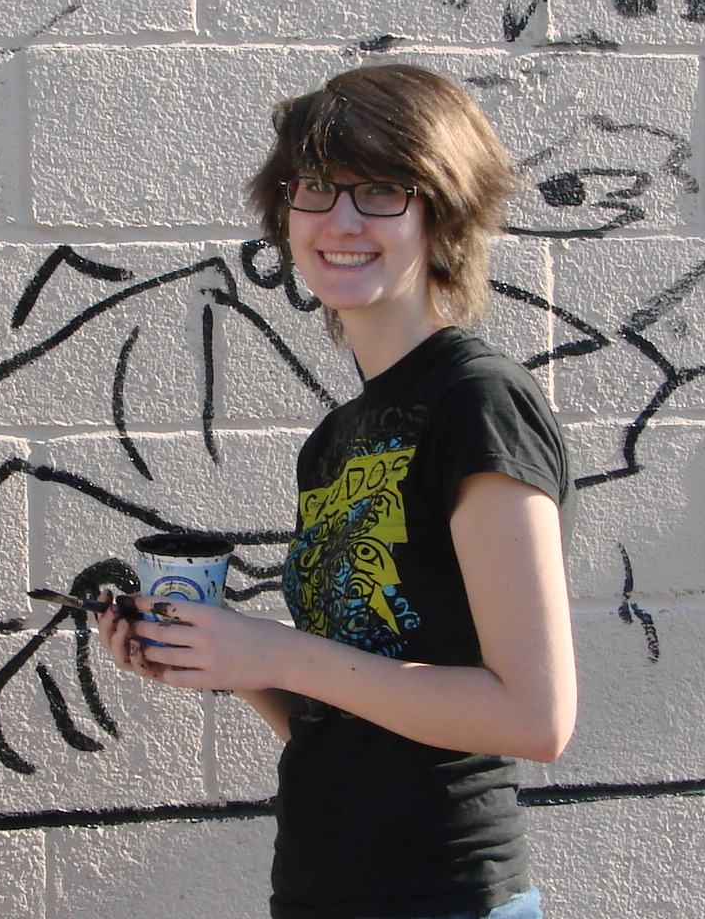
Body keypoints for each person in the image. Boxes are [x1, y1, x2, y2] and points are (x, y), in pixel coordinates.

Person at [96, 63, 577, 919]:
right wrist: (223, 657)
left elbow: (534, 717)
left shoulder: (477, 402)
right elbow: (349, 721)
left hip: (447, 898)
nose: (342, 220)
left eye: (382, 191)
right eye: (315, 188)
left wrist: (278, 651)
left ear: (442, 214)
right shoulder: (335, 442)